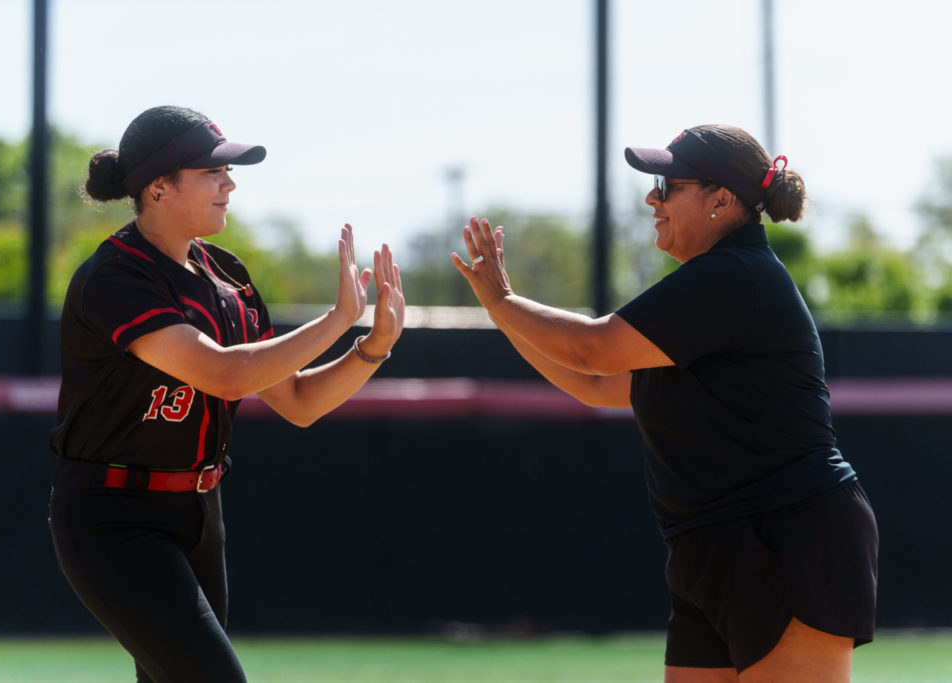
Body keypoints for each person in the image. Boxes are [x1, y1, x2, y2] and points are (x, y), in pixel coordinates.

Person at [451, 125, 878, 682]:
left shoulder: (734, 275)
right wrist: (503, 314)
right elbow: (599, 385)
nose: (652, 198)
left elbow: (592, 349)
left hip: (784, 535)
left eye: (667, 184)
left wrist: (505, 303)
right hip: (712, 544)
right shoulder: (711, 284)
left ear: (722, 200)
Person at [48, 105, 404, 683]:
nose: (230, 184)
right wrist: (338, 319)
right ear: (158, 187)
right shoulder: (117, 277)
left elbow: (298, 402)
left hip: (198, 514)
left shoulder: (228, 275)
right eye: (213, 173)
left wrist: (372, 347)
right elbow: (224, 375)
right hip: (113, 520)